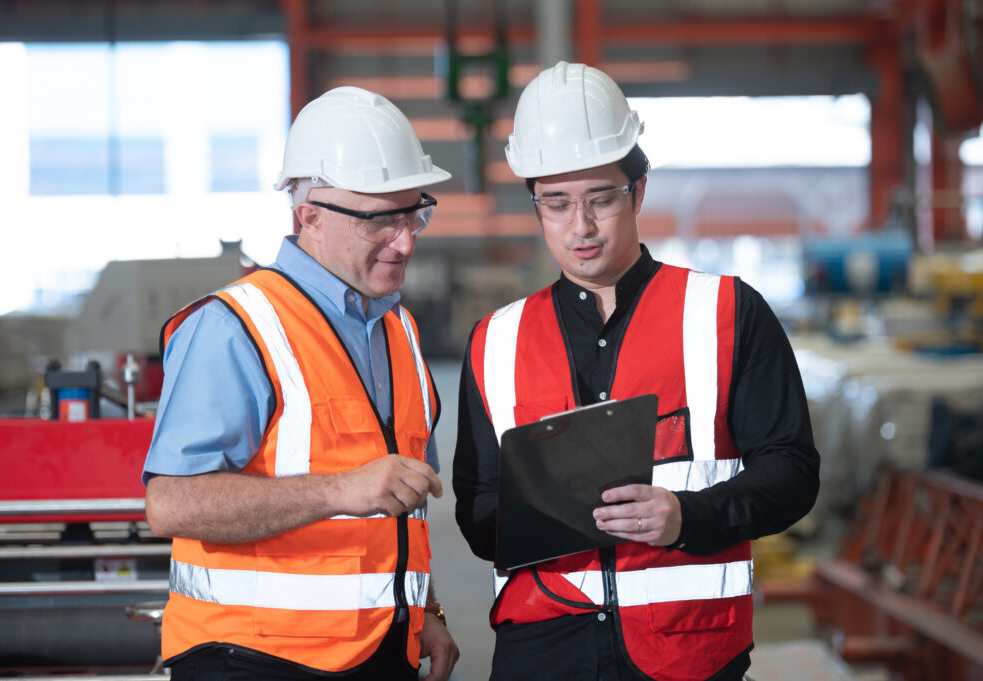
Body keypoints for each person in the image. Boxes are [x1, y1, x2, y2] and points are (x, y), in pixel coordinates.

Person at [453, 61, 820, 681]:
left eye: (601, 199)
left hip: (689, 653)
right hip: (544, 654)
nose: (581, 227)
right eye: (557, 204)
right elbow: (476, 507)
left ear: (639, 191)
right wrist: (539, 514)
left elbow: (791, 471)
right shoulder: (496, 341)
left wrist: (687, 516)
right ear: (535, 204)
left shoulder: (726, 314)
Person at [143, 86, 459, 681]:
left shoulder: (401, 330)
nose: (406, 240)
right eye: (381, 221)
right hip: (253, 656)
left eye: (415, 213)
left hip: (381, 649)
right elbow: (170, 503)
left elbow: (400, 505)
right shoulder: (234, 326)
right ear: (308, 215)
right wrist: (338, 491)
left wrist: (425, 611)